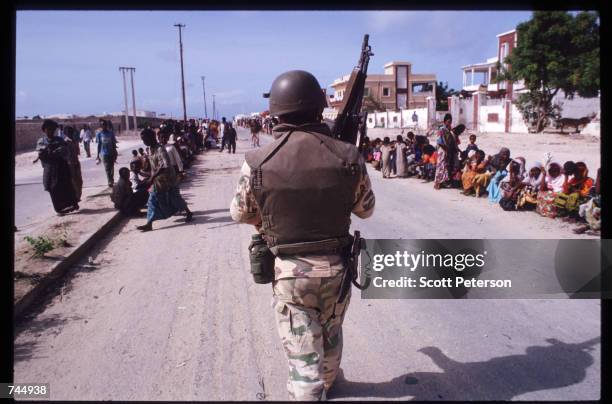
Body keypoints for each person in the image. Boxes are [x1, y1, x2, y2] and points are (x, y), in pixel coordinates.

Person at [230, 70, 375, 401]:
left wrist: (266, 221)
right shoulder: (347, 156)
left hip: (291, 275)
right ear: (319, 108)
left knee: (302, 362)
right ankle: (328, 381)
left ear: (277, 112)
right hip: (337, 270)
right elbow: (366, 209)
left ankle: (314, 389)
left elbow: (239, 212)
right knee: (331, 331)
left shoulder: (257, 161)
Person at [136, 128, 193, 232]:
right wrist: (149, 175)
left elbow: (165, 165)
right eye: (142, 139)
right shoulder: (150, 149)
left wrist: (152, 177)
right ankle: (149, 224)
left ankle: (188, 212)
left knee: (175, 198)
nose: (144, 142)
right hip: (158, 180)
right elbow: (153, 165)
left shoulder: (160, 149)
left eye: (145, 139)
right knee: (152, 200)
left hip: (168, 179)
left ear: (151, 137)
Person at [35, 120, 79, 215]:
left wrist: (55, 151)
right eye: (48, 129)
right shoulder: (41, 141)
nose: (50, 131)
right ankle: (59, 208)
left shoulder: (59, 140)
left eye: (52, 129)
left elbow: (64, 151)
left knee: (66, 185)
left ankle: (71, 204)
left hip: (61, 167)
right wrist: (50, 151)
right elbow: (42, 152)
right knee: (51, 187)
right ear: (44, 130)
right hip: (49, 168)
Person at [434, 113, 457, 189]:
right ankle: (437, 183)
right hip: (442, 150)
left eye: (450, 121)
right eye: (448, 121)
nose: (449, 123)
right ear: (445, 121)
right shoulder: (441, 129)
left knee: (445, 167)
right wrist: (446, 150)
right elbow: (439, 141)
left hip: (447, 151)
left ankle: (442, 182)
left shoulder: (448, 130)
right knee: (440, 166)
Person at [63, 125, 83, 202]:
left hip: (76, 162)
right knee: (73, 181)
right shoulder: (65, 142)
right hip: (69, 164)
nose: (70, 134)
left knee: (79, 181)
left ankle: (77, 196)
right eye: (69, 132)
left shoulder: (74, 141)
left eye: (71, 132)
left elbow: (77, 152)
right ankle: (75, 197)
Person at [96, 120, 118, 187]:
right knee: (107, 167)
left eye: (104, 124)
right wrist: (98, 155)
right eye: (102, 125)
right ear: (100, 126)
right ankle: (109, 181)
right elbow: (99, 144)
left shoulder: (111, 133)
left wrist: (115, 152)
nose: (103, 126)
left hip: (111, 152)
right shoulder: (99, 134)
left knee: (111, 167)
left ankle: (112, 179)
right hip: (104, 153)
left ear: (106, 125)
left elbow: (113, 143)